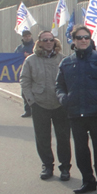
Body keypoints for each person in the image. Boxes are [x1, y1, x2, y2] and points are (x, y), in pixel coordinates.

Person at [56, 25, 97, 194]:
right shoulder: (66, 62)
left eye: (86, 37)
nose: (83, 40)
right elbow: (59, 85)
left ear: (90, 39)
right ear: (73, 41)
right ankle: (88, 181)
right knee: (81, 151)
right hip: (75, 114)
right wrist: (64, 98)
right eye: (79, 38)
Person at [20, 31, 71, 181]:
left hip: (60, 105)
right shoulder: (31, 60)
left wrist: (67, 100)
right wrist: (31, 101)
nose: (49, 42)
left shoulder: (63, 60)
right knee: (42, 137)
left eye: (51, 40)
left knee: (63, 137)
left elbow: (70, 81)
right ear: (39, 42)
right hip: (39, 104)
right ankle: (47, 166)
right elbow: (25, 81)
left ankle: (65, 167)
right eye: (45, 40)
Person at [15, 30, 35, 117]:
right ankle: (28, 111)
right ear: (22, 37)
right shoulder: (19, 48)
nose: (27, 37)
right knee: (24, 92)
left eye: (28, 36)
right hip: (24, 73)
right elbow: (14, 59)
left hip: (35, 72)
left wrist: (29, 55)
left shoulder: (36, 46)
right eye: (25, 36)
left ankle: (35, 110)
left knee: (36, 92)